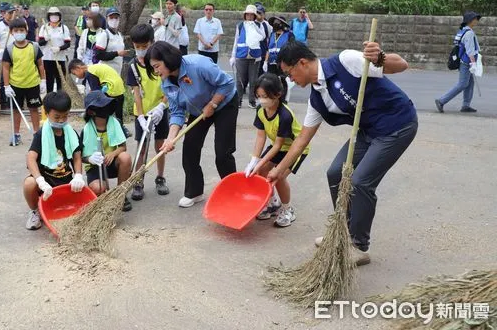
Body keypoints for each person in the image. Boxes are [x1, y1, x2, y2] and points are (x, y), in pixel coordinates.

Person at [268, 41, 418, 266]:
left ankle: (358, 245)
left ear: (302, 63)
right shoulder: (317, 98)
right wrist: (278, 171)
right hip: (367, 131)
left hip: (397, 125)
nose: (290, 79)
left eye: (289, 73)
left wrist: (380, 58)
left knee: (361, 182)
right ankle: (343, 232)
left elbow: (401, 65)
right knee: (335, 173)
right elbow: (301, 140)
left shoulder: (346, 61)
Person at [146, 41, 238, 208]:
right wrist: (170, 138)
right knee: (189, 150)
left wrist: (213, 104)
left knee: (222, 153)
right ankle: (194, 192)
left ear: (167, 59)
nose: (156, 71)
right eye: (153, 68)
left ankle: (233, 192)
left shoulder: (197, 64)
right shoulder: (166, 84)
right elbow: (177, 112)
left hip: (224, 103)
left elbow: (227, 83)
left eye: (157, 66)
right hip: (198, 112)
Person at [244, 73, 310, 227]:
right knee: (261, 172)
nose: (261, 99)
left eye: (265, 96)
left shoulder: (284, 115)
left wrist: (259, 164)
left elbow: (278, 145)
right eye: (258, 96)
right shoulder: (261, 110)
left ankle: (288, 210)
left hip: (296, 148)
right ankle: (273, 204)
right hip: (278, 146)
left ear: (278, 94)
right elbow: (261, 137)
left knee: (278, 176)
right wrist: (254, 160)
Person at [22, 91, 85, 230]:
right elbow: (30, 158)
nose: (61, 120)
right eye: (57, 117)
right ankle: (35, 212)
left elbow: (77, 156)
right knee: (29, 183)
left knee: (86, 203)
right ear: (47, 113)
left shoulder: (71, 133)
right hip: (47, 184)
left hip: (66, 181)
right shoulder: (41, 134)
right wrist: (40, 180)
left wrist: (79, 176)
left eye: (65, 116)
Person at [127, 24, 170, 201]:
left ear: (152, 43)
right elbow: (137, 94)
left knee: (161, 147)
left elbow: (168, 88)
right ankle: (138, 182)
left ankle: (160, 178)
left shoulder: (161, 63)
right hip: (143, 114)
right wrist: (142, 116)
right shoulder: (133, 67)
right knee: (141, 148)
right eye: (138, 47)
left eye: (145, 46)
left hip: (161, 110)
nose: (141, 50)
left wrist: (161, 106)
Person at [80, 90, 133, 212]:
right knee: (99, 188)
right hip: (95, 166)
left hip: (111, 162)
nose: (105, 108)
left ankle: (120, 195)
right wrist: (91, 159)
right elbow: (81, 156)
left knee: (125, 157)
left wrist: (113, 154)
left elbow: (123, 147)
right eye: (101, 106)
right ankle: (102, 198)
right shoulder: (87, 129)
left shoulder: (114, 122)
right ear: (91, 111)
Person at [2, 18, 47, 146]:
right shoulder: (9, 49)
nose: (19, 33)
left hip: (32, 84)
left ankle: (37, 134)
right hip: (16, 85)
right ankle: (16, 134)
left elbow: (40, 65)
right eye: (16, 30)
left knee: (34, 109)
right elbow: (5, 68)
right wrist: (6, 86)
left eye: (21, 30)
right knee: (16, 111)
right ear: (11, 32)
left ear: (26, 31)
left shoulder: (34, 46)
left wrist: (43, 80)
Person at [435, 11, 481, 114]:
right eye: (475, 19)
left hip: (463, 60)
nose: (477, 20)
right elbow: (470, 50)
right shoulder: (469, 33)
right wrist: (473, 63)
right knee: (462, 84)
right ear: (470, 20)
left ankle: (466, 105)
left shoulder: (462, 31)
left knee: (470, 83)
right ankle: (441, 101)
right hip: (466, 62)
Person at [229, 4, 266, 109]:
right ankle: (238, 100)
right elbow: (236, 41)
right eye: (247, 14)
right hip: (241, 54)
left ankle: (252, 100)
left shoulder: (259, 25)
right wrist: (233, 56)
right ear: (245, 15)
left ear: (254, 16)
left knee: (253, 80)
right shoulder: (240, 26)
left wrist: (257, 23)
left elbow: (262, 37)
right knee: (240, 80)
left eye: (251, 15)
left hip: (254, 56)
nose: (249, 16)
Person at [0, 2, 17, 109]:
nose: (11, 15)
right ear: (3, 13)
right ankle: (3, 103)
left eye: (12, 13)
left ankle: (14, 102)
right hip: (2, 58)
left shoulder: (17, 24)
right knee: (2, 81)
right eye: (9, 13)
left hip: (16, 57)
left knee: (14, 80)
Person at [38, 7, 71, 92]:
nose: (54, 17)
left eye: (56, 15)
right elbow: (40, 43)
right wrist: (45, 39)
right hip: (47, 58)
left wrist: (59, 48)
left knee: (60, 79)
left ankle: (60, 98)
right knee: (49, 80)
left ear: (59, 16)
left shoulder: (64, 28)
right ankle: (50, 97)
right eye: (52, 15)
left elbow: (68, 44)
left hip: (60, 58)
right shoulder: (44, 27)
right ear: (49, 16)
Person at [92, 7, 127, 75]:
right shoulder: (104, 35)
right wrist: (116, 53)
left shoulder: (119, 35)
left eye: (116, 18)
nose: (114, 20)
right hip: (106, 72)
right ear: (107, 19)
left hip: (117, 72)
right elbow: (99, 55)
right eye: (111, 18)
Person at [254, 2, 273, 76]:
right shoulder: (252, 23)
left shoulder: (266, 24)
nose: (258, 14)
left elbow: (270, 38)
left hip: (263, 53)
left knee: (262, 74)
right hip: (254, 53)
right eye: (257, 12)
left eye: (260, 13)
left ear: (264, 14)